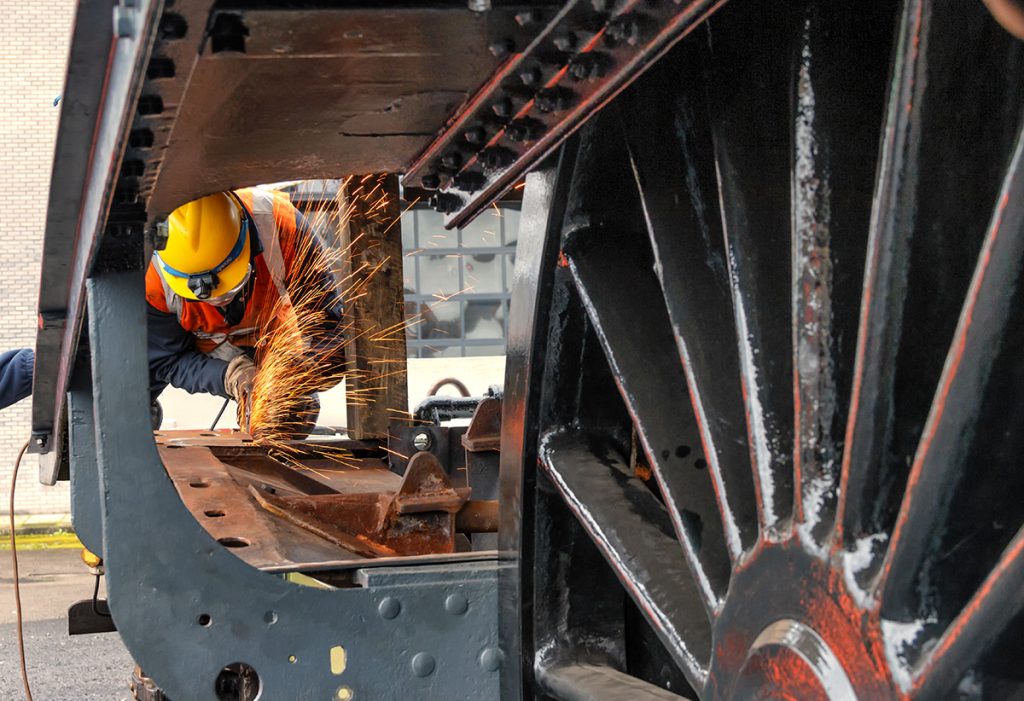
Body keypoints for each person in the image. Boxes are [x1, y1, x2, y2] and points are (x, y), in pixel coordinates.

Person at [146, 189, 343, 420]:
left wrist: (299, 370)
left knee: (286, 412)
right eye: (206, 298)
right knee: (125, 398)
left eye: (231, 287)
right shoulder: (152, 277)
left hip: (271, 338)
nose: (219, 300)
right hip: (202, 344)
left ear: (248, 244)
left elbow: (330, 330)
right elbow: (167, 361)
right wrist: (228, 376)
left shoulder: (282, 226)